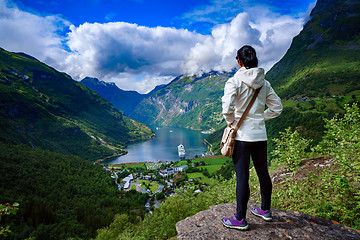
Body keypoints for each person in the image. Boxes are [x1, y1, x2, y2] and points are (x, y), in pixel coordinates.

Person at [221, 45, 283, 230]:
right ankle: (265, 210)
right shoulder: (265, 83)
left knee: (242, 177)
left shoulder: (234, 82)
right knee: (263, 173)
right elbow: (277, 108)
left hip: (241, 138)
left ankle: (240, 219)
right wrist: (259, 118)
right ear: (255, 61)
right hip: (260, 136)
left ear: (239, 61)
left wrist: (233, 122)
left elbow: (227, 109)